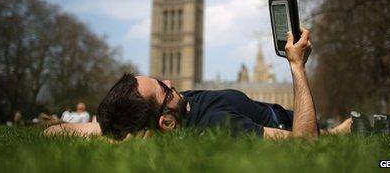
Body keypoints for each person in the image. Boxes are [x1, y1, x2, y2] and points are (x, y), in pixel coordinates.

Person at [45, 29, 352, 140]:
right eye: (164, 89)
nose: (170, 81)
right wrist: (297, 66)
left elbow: (54, 132)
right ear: (166, 121)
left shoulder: (157, 116)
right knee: (344, 128)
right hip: (290, 122)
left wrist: (116, 130)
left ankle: (336, 131)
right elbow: (303, 143)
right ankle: (337, 133)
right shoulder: (217, 125)